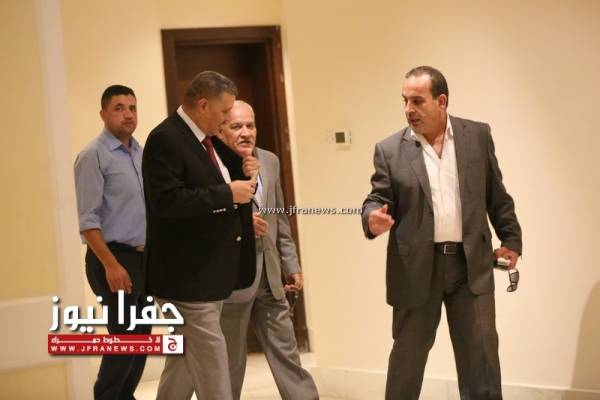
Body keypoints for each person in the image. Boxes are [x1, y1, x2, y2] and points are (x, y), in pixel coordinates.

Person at [361, 66, 522, 399]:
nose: (409, 109)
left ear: (442, 101)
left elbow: (496, 194)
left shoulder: (476, 136)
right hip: (417, 268)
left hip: (470, 266)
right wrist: (371, 219)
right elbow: (377, 198)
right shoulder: (389, 149)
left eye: (417, 101)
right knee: (407, 360)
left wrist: (510, 239)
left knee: (481, 360)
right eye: (405, 101)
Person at [142, 71, 257, 400]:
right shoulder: (166, 138)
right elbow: (166, 201)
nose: (227, 119)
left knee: (184, 363)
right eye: (225, 111)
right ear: (203, 105)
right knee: (213, 364)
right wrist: (227, 194)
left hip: (208, 273)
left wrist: (243, 170)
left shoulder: (206, 140)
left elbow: (215, 177)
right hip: (185, 278)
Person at [219, 100, 319, 400]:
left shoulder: (270, 161)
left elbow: (279, 219)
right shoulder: (213, 165)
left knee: (288, 355)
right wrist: (240, 223)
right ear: (221, 130)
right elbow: (204, 219)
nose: (245, 132)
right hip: (233, 281)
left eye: (250, 125)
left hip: (271, 277)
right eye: (236, 126)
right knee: (229, 363)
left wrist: (292, 265)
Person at [74, 85, 150, 400]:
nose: (128, 114)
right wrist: (112, 265)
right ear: (103, 114)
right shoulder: (93, 156)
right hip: (113, 259)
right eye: (119, 108)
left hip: (143, 259)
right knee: (124, 339)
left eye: (132, 107)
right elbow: (87, 221)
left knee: (141, 338)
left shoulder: (140, 153)